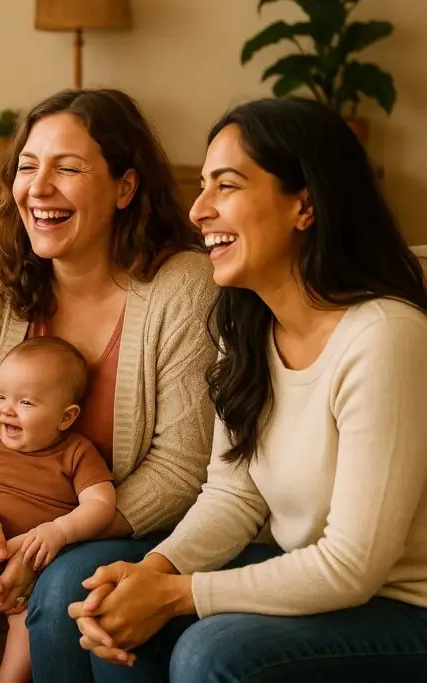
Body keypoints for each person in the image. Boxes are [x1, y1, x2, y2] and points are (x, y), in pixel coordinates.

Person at [69, 97, 427, 683]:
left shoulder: (384, 336)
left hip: (407, 607)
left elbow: (352, 567)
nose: (197, 211)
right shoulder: (245, 328)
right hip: (327, 583)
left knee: (212, 652)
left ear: (304, 205)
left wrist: (176, 595)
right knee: (102, 606)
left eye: (226, 186)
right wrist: (150, 572)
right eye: (202, 186)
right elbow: (233, 497)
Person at [0, 87, 219, 683]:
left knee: (60, 593)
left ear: (125, 188)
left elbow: (180, 468)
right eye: (28, 167)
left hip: (113, 519)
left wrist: (53, 536)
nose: (39, 187)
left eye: (69, 168)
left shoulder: (183, 288)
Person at [0, 337, 116, 683]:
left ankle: (8, 679)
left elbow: (101, 504)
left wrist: (58, 531)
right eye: (0, 397)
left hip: (37, 562)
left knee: (25, 616)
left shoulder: (76, 453)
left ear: (65, 416)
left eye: (26, 402)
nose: (7, 410)